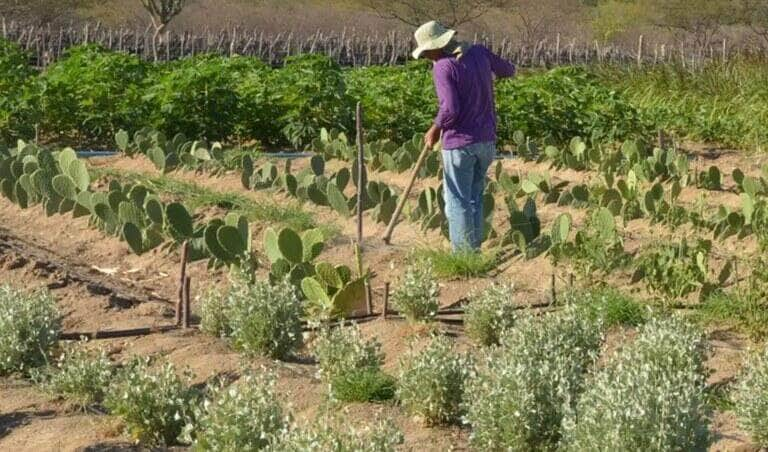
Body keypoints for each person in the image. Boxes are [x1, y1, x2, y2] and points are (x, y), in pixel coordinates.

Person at [412, 21, 515, 252]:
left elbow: (450, 109)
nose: (427, 57)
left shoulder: (443, 66)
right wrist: (480, 77)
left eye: (427, 52)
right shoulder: (478, 52)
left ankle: (463, 255)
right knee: (475, 197)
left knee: (458, 200)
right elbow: (508, 70)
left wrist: (434, 129)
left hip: (459, 143)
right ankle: (474, 249)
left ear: (437, 46)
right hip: (486, 141)